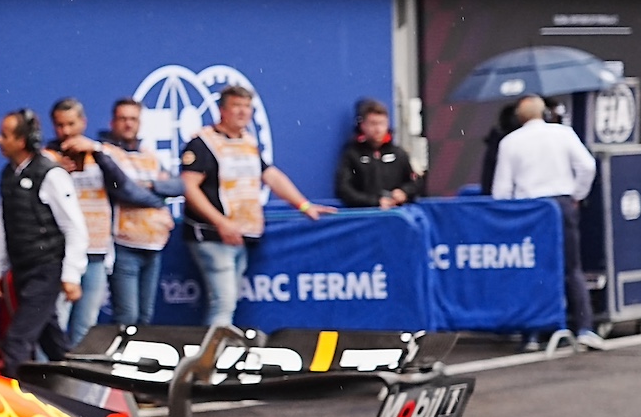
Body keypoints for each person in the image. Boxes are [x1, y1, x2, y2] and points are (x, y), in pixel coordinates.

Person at [181, 85, 333, 329]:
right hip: (211, 235)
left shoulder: (247, 142)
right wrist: (221, 223)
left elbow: (271, 176)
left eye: (247, 107)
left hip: (243, 235)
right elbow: (189, 188)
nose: (243, 112)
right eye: (236, 106)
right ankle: (213, 361)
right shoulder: (202, 143)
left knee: (226, 303)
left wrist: (304, 205)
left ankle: (217, 354)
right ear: (222, 111)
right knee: (223, 303)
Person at [49, 98, 169, 345]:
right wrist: (56, 169)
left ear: (83, 122)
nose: (67, 131)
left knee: (86, 326)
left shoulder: (100, 154)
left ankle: (82, 383)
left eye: (71, 124)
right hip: (60, 253)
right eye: (60, 125)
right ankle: (48, 383)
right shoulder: (48, 157)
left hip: (96, 250)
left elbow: (122, 186)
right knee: (55, 325)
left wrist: (97, 152)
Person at [492, 94, 603, 350]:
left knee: (532, 268)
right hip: (561, 204)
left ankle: (533, 332)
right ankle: (585, 327)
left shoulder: (510, 142)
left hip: (528, 210)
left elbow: (501, 190)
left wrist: (507, 215)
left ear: (519, 117)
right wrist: (576, 195)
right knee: (572, 267)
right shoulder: (563, 134)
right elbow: (587, 166)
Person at [0, 109, 88, 370]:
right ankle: (81, 388)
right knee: (52, 341)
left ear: (21, 141)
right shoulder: (8, 174)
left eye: (5, 135)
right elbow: (4, 224)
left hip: (46, 270)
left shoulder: (52, 174)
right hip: (22, 270)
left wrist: (71, 276)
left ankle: (12, 403)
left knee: (17, 341)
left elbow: (75, 227)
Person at [97, 98, 186, 327]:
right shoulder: (107, 153)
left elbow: (179, 185)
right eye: (123, 119)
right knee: (127, 316)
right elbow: (125, 191)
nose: (128, 124)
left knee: (145, 317)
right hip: (124, 243)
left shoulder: (149, 155)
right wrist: (156, 200)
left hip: (153, 245)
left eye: (133, 119)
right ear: (113, 121)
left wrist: (152, 186)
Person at [336, 99, 422, 208]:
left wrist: (404, 192)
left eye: (382, 123)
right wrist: (375, 201)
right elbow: (344, 189)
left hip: (397, 215)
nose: (378, 129)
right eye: (373, 124)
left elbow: (415, 183)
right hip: (366, 216)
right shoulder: (351, 154)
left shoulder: (399, 153)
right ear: (362, 125)